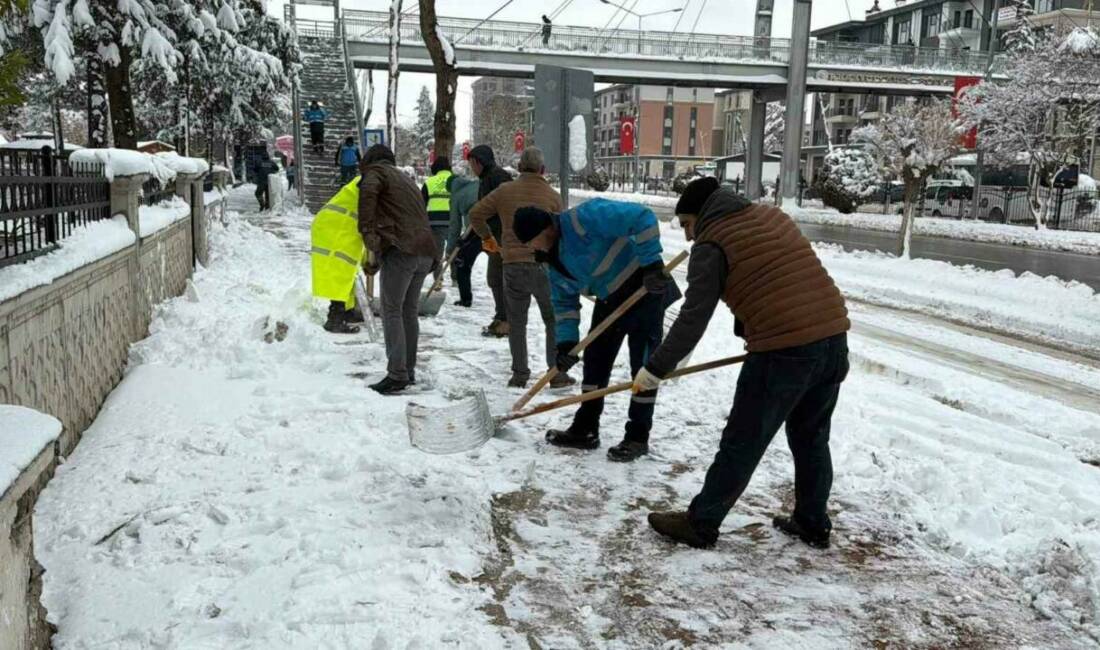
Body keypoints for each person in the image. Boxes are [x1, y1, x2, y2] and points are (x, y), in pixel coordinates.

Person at [641, 177, 850, 550]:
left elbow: (693, 318)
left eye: (687, 224)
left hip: (784, 350)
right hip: (833, 338)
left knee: (742, 440)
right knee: (811, 437)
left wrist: (655, 368)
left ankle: (701, 523)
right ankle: (812, 522)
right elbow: (777, 278)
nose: (688, 237)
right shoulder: (772, 216)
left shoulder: (712, 243)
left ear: (702, 215)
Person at [512, 199, 680, 463]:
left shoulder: (584, 218)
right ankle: (586, 428)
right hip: (610, 298)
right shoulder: (552, 259)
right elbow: (564, 303)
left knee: (643, 368)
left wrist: (651, 264)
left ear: (545, 230)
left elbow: (642, 217)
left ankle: (637, 436)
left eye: (530, 241)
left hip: (645, 289)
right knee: (595, 361)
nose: (530, 248)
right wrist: (566, 344)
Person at [469, 147, 574, 389]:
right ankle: (556, 374)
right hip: (545, 266)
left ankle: (519, 375)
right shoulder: (553, 196)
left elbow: (476, 214)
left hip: (512, 264)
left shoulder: (504, 191)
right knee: (553, 321)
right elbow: (562, 232)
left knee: (517, 322)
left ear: (518, 168)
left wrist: (488, 239)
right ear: (543, 170)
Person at [358, 144, 440, 394]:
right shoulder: (405, 179)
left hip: (402, 251)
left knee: (391, 309)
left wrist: (369, 237)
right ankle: (408, 369)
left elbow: (369, 194)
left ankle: (397, 373)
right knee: (408, 311)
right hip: (425, 252)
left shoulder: (376, 173)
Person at [467, 145, 513, 338]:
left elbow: (495, 209)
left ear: (479, 161)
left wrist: (486, 233)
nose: (471, 167)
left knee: (497, 278)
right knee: (497, 278)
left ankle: (505, 320)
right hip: (498, 235)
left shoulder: (495, 178)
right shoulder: (490, 177)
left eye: (471, 163)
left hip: (502, 237)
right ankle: (503, 317)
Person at [311, 175, 367, 335]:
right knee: (340, 273)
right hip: (335, 227)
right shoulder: (370, 180)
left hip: (338, 225)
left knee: (348, 272)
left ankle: (347, 313)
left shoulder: (366, 178)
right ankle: (334, 319)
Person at [446, 170, 481, 307]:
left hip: (473, 231)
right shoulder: (477, 184)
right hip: (494, 228)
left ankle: (465, 299)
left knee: (462, 264)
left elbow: (454, 227)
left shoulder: (456, 196)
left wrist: (449, 251)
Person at [421, 157, 453, 280]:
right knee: (454, 251)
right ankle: (456, 278)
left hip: (435, 222)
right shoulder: (456, 181)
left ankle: (438, 279)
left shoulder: (429, 182)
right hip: (453, 222)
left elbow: (421, 204)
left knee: (437, 253)